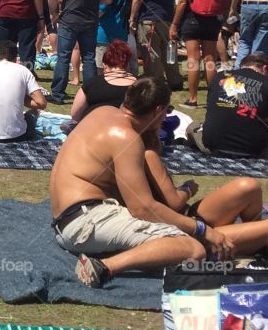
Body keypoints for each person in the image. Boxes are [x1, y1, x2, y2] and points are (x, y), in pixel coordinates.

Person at [50, 76, 268, 288]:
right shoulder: (126, 138)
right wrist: (201, 229)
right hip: (84, 222)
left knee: (247, 187)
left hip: (76, 216)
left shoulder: (103, 112)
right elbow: (143, 208)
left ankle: (255, 246)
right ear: (157, 111)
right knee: (193, 249)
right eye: (166, 112)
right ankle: (104, 267)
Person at [48, 0, 112, 104]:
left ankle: (58, 94)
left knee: (63, 56)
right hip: (90, 19)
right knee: (89, 58)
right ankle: (89, 94)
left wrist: (53, 12)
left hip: (69, 19)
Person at [186, 52, 268, 158]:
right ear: (265, 68)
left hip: (213, 146)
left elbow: (213, 110)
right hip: (253, 150)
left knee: (193, 126)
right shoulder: (265, 83)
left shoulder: (219, 76)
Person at [172, 0, 223, 108]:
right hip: (212, 19)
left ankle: (193, 99)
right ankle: (213, 98)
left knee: (193, 59)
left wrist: (174, 24)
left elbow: (182, 2)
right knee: (210, 60)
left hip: (192, 20)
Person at [130, 0, 182, 90]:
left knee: (152, 53)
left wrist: (132, 18)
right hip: (168, 16)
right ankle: (175, 80)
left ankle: (155, 82)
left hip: (149, 18)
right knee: (169, 50)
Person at [68, 38, 138, 125]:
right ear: (127, 64)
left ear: (104, 64)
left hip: (96, 130)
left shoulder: (92, 84)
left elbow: (75, 115)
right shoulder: (140, 85)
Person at [96, 0, 128, 70]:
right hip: (120, 32)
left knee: (101, 65)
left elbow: (100, 12)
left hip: (105, 34)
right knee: (120, 64)